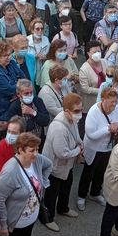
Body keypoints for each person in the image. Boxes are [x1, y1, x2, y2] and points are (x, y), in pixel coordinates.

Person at [0, 132, 52, 236]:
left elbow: (49, 165)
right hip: (13, 225)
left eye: (37, 149)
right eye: (32, 150)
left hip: (30, 221)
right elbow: (0, 199)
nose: (36, 154)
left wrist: (43, 182)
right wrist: (3, 225)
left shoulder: (36, 160)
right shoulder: (10, 171)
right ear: (20, 149)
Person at [78, 87, 118, 211]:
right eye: (111, 102)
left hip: (107, 148)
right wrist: (108, 129)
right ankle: (81, 196)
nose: (114, 105)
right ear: (103, 99)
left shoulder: (117, 108)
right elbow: (90, 134)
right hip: (93, 148)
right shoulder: (94, 111)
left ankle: (95, 193)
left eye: (115, 101)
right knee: (88, 172)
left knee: (101, 172)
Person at [42, 89, 83, 226]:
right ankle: (48, 218)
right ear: (66, 111)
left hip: (66, 165)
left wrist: (80, 142)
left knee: (66, 187)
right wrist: (78, 150)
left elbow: (75, 134)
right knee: (51, 194)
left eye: (80, 110)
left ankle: (63, 208)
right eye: (76, 111)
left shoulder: (71, 119)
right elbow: (62, 153)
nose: (80, 114)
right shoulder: (58, 128)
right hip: (55, 167)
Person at [0, 41, 25, 139]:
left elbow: (23, 78)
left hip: (12, 106)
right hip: (0, 111)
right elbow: (10, 90)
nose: (8, 57)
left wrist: (17, 89)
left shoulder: (11, 63)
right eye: (4, 56)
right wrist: (17, 89)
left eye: (9, 54)